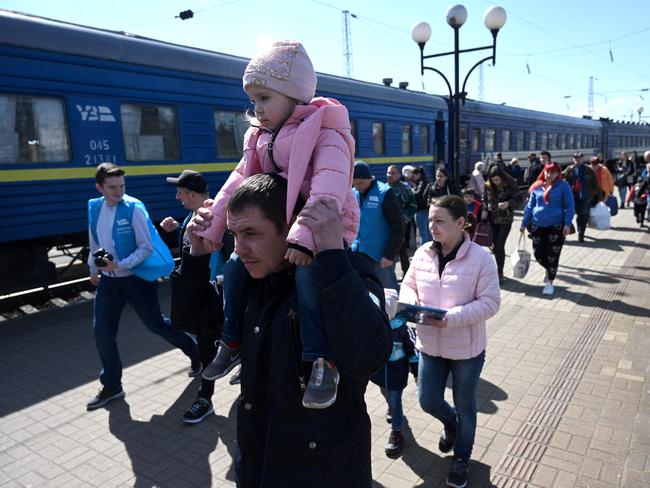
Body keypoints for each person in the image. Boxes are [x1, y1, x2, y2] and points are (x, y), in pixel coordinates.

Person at [185, 173, 391, 488]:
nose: (240, 248)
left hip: (322, 472)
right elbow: (193, 325)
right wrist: (195, 258)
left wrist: (332, 257)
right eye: (233, 234)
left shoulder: (349, 275)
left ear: (292, 227)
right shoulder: (249, 281)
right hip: (258, 464)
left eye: (252, 233)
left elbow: (369, 355)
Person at [197, 41, 360, 410]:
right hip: (283, 227)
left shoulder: (326, 131)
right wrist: (213, 226)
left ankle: (322, 360)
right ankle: (232, 341)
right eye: (253, 100)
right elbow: (237, 184)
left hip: (324, 227)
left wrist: (305, 238)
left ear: (294, 95)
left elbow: (329, 187)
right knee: (234, 267)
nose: (257, 109)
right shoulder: (260, 136)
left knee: (307, 278)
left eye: (265, 98)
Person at [400, 194, 501, 488]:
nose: (432, 225)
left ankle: (461, 459)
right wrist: (410, 304)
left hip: (466, 350)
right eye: (430, 219)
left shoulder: (482, 257)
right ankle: (451, 425)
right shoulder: (422, 253)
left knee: (465, 406)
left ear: (460, 223)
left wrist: (450, 317)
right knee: (427, 400)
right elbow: (408, 285)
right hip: (430, 345)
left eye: (439, 220)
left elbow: (491, 303)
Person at [86, 163, 199, 410]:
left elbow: (146, 247)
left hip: (136, 280)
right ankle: (112, 386)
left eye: (122, 186)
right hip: (109, 284)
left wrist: (120, 265)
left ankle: (195, 351)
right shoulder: (94, 207)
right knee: (102, 332)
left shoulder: (134, 208)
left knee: (156, 325)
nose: (118, 192)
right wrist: (94, 268)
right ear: (99, 187)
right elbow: (94, 242)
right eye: (112, 187)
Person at [160, 169, 233, 423]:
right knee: (206, 346)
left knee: (209, 346)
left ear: (192, 194)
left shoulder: (219, 219)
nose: (178, 197)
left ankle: (204, 398)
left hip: (215, 294)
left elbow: (232, 258)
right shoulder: (195, 215)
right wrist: (177, 228)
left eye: (180, 193)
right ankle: (206, 396)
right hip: (199, 291)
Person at [370, 289, 419, 459]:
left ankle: (397, 432)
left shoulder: (402, 329)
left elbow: (413, 351)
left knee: (396, 402)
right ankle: (391, 407)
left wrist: (417, 373)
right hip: (378, 374)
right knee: (386, 395)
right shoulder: (373, 327)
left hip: (396, 376)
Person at [521, 161, 575, 296]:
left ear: (558, 173)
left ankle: (550, 282)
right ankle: (550, 269)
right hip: (537, 225)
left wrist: (567, 224)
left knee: (552, 255)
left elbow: (570, 206)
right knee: (538, 254)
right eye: (547, 172)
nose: (549, 174)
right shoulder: (537, 187)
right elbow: (530, 207)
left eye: (553, 172)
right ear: (544, 172)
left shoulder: (564, 186)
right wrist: (523, 223)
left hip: (556, 226)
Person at [352, 161, 405, 290]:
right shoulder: (353, 193)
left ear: (369, 178)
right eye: (354, 183)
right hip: (358, 252)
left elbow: (398, 225)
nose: (358, 187)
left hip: (380, 256)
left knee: (388, 292)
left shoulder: (385, 192)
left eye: (360, 183)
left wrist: (389, 255)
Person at [482, 167, 523, 283]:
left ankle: (499, 272)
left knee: (500, 246)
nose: (495, 182)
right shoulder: (488, 185)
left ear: (502, 177)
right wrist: (484, 210)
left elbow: (519, 199)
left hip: (505, 220)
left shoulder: (510, 184)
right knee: (495, 247)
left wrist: (508, 203)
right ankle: (498, 269)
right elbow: (484, 199)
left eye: (497, 180)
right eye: (493, 180)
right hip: (492, 220)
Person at [562, 152, 601, 242]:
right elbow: (560, 176)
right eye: (575, 158)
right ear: (573, 159)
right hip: (573, 196)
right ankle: (579, 229)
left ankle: (581, 233)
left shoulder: (588, 170)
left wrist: (599, 198)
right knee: (577, 215)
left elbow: (596, 184)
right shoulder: (570, 169)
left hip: (586, 196)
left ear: (582, 159)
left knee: (584, 214)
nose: (577, 160)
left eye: (579, 158)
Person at [386, 164, 417, 274]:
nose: (390, 175)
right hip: (386, 225)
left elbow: (413, 206)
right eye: (389, 172)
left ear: (399, 175)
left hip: (400, 224)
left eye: (393, 173)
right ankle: (390, 274)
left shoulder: (405, 188)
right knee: (390, 249)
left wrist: (404, 218)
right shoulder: (382, 188)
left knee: (401, 248)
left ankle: (407, 273)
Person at [412, 166, 433, 245]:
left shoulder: (421, 182)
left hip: (420, 210)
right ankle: (432, 251)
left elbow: (417, 195)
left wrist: (412, 190)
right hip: (427, 209)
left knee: (422, 234)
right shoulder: (427, 181)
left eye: (414, 175)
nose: (413, 177)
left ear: (418, 174)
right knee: (429, 233)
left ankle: (423, 253)